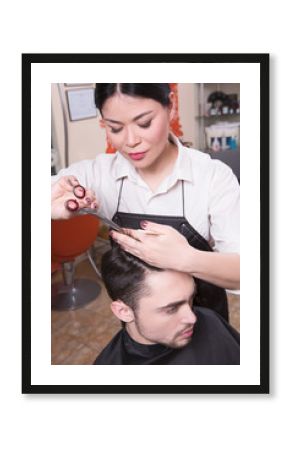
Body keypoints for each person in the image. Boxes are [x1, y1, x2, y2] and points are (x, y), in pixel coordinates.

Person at [51, 83, 240, 320]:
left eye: (144, 123)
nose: (131, 141)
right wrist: (50, 203)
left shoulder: (211, 176)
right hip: (141, 331)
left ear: (170, 107)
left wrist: (185, 259)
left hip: (206, 322)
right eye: (115, 128)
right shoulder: (99, 173)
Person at [93, 245, 239, 365]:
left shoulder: (209, 320)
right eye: (171, 309)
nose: (192, 318)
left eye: (190, 298)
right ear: (124, 311)